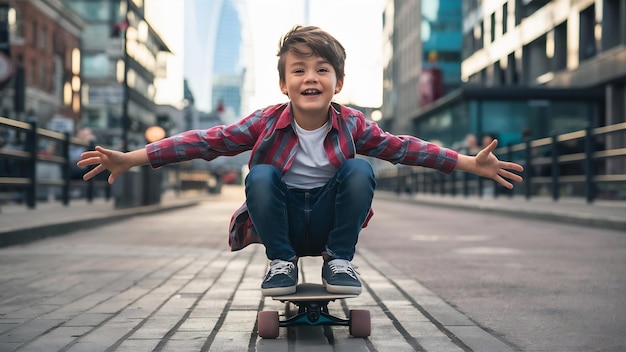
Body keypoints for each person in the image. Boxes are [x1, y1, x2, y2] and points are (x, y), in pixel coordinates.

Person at [78, 25, 523, 297]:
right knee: (262, 173)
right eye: (299, 70)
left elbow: (406, 148)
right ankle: (281, 263)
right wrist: (132, 159)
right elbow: (205, 142)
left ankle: (339, 262)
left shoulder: (353, 125)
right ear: (284, 84)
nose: (311, 76)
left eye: (322, 69)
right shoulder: (265, 122)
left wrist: (469, 163)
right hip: (284, 225)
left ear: (338, 82)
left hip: (330, 224)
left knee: (359, 168)